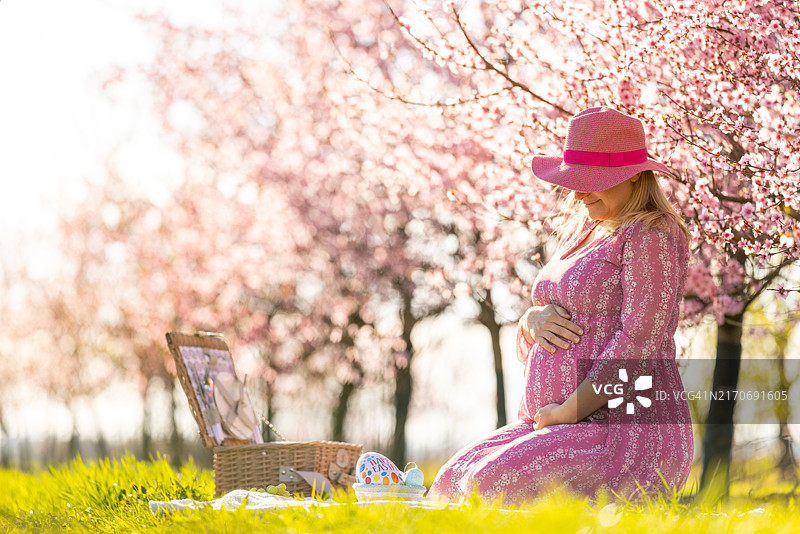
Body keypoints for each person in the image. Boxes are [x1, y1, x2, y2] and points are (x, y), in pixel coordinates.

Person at [428, 107, 694, 506]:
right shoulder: (583, 229)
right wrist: (530, 321)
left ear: (636, 175)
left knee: (489, 484)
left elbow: (639, 345)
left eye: (593, 181)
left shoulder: (651, 234)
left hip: (622, 430)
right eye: (576, 181)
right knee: (450, 481)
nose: (580, 193)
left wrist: (571, 409)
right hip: (553, 421)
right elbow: (541, 332)